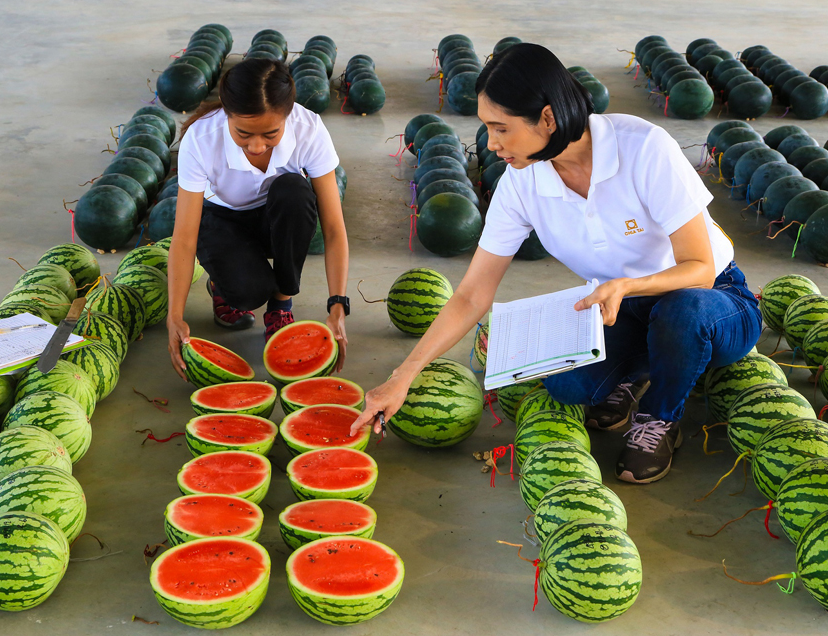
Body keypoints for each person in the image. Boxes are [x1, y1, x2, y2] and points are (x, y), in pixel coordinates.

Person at [351, 43, 760, 484]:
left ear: (546, 118)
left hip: (713, 299)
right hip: (622, 306)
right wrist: (404, 374)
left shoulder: (644, 148)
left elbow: (699, 266)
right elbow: (472, 293)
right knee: (567, 386)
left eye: (500, 128)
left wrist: (626, 284)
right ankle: (641, 368)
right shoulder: (521, 183)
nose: (491, 143)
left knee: (682, 311)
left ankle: (660, 418)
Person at [166, 58, 351, 380]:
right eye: (243, 133)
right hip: (221, 217)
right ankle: (223, 286)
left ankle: (281, 303)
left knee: (295, 190)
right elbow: (184, 237)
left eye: (270, 134)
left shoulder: (309, 129)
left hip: (276, 215)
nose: (256, 145)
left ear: (288, 114)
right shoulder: (200, 137)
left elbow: (334, 227)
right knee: (249, 293)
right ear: (226, 113)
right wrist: (175, 314)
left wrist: (337, 305)